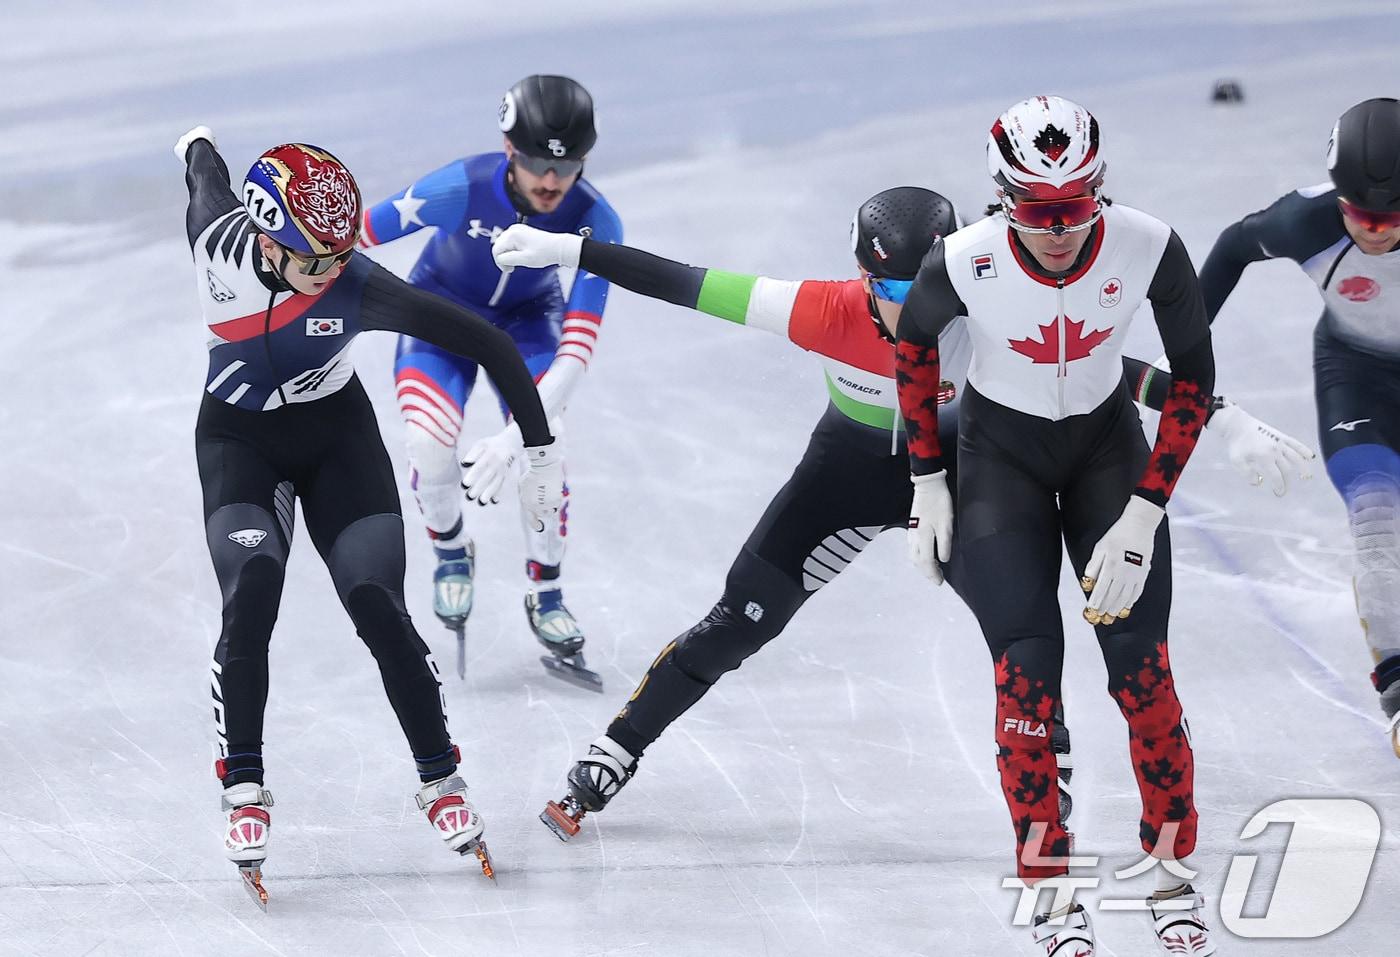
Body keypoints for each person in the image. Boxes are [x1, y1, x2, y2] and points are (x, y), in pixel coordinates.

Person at [494, 181, 1302, 903]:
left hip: (959, 484)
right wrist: (572, 247)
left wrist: (1217, 410)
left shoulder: (979, 301)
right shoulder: (822, 309)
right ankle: (615, 751)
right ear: (859, 276)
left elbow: (1095, 365)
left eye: (918, 284)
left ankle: (1046, 840)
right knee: (739, 622)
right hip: (843, 477)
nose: (902, 303)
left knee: (1020, 644)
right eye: (884, 286)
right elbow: (685, 283)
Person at [175, 126, 564, 902]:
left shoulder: (355, 280)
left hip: (337, 442)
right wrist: (197, 143)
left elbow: (485, 339)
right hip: (237, 441)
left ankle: (440, 778)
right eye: (314, 259)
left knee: (378, 606)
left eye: (338, 255)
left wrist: (540, 448)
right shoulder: (216, 242)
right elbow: (203, 180)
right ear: (264, 236)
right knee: (250, 594)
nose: (331, 273)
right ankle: (243, 786)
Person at [894, 97, 1217, 955]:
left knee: (1141, 674)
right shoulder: (962, 259)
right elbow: (913, 349)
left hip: (1111, 459)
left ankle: (1172, 868)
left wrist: (1146, 511)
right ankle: (1046, 883)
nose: (1060, 228)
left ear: (1101, 189)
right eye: (1038, 212)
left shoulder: (1149, 242)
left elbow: (1193, 379)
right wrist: (929, 474)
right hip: (1003, 467)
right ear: (1003, 198)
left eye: (1078, 205)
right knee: (1027, 682)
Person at [358, 75, 622, 688]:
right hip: (439, 316)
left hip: (530, 326)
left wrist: (516, 441)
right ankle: (451, 550)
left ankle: (546, 593)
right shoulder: (459, 188)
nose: (551, 181)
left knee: (544, 459)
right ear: (509, 151)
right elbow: (354, 235)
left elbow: (576, 356)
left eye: (568, 167)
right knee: (427, 447)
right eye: (535, 163)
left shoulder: (596, 222)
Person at [1199, 96, 1400, 758]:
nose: (1372, 232)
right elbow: (1231, 247)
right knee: (1376, 522)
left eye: (1390, 218)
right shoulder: (1305, 220)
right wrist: (1186, 348)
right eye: (1359, 216)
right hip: (1356, 375)